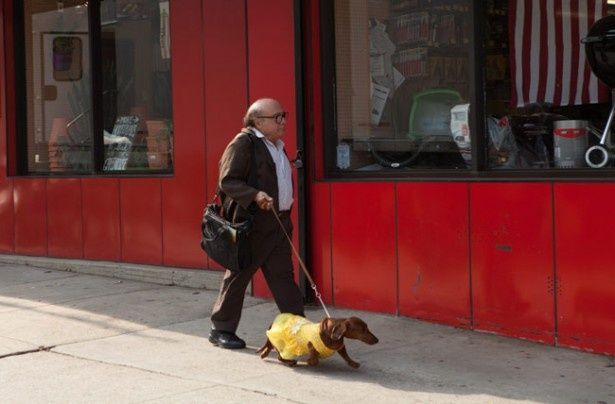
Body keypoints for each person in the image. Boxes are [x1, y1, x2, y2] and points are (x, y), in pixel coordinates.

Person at [208, 98, 305, 349]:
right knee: (239, 276)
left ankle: (300, 329)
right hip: (251, 224)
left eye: (283, 115)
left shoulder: (277, 145)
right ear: (258, 121)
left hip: (278, 224)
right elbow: (227, 181)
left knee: (283, 278)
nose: (283, 121)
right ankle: (221, 330)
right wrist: (255, 195)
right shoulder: (244, 143)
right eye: (277, 117)